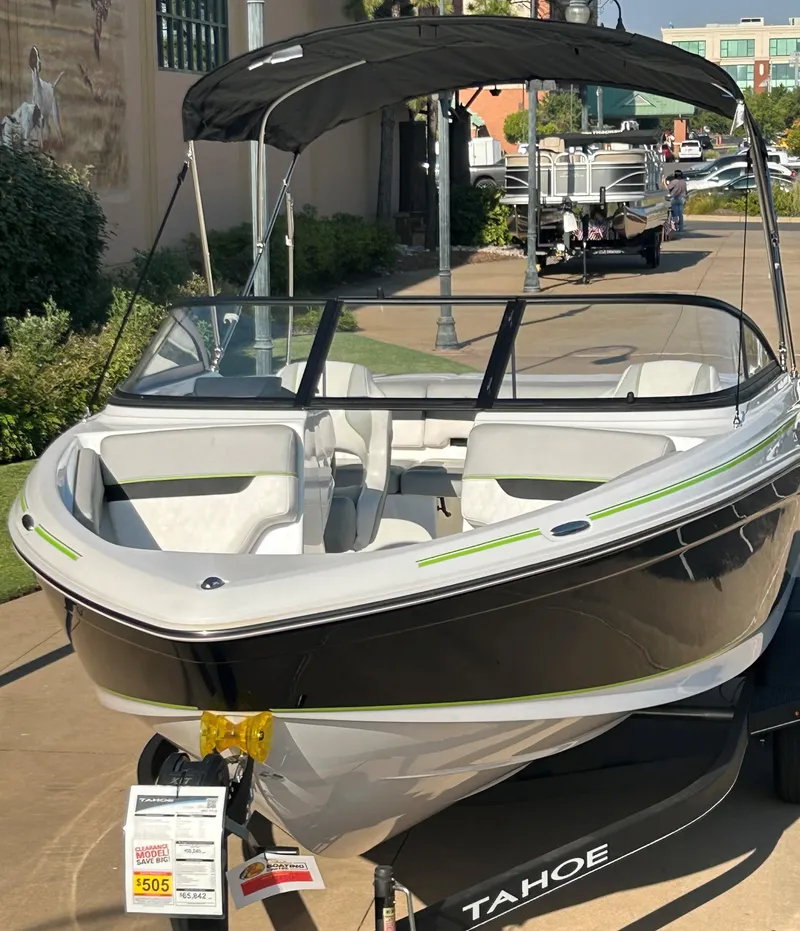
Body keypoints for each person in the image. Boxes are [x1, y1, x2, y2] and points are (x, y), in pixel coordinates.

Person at [667, 169, 688, 234]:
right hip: (682, 199)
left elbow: (669, 189)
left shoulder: (673, 182)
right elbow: (686, 191)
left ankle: (675, 227)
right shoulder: (683, 182)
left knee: (675, 214)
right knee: (680, 214)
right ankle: (681, 228)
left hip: (674, 198)